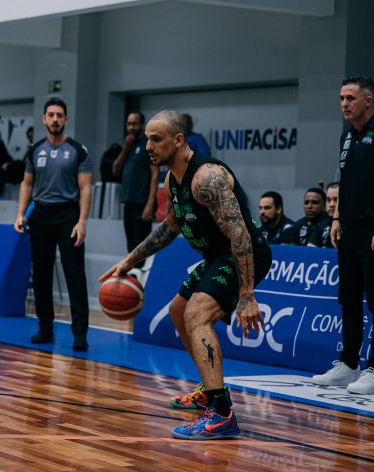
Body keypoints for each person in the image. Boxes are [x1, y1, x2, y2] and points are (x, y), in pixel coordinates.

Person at [100, 110, 271, 440]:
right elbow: (170, 227)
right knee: (179, 310)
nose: (148, 146)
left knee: (196, 314)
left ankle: (221, 414)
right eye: (147, 139)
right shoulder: (171, 180)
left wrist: (247, 294)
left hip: (244, 254)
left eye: (156, 139)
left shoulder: (207, 178)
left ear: (178, 140)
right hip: (218, 256)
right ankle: (209, 389)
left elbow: (240, 235)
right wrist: (130, 260)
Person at [312, 76, 374, 395]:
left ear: (368, 101)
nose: (344, 104)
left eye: (350, 98)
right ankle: (348, 364)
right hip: (349, 230)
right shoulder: (347, 136)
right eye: (341, 98)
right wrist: (337, 217)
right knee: (349, 297)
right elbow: (345, 180)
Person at [14, 97, 93, 351]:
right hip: (41, 215)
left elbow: (86, 188)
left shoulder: (78, 150)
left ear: (66, 119)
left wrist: (82, 221)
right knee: (42, 275)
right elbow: (26, 184)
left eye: (59, 115)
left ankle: (79, 334)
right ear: (44, 119)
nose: (55, 119)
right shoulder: (35, 149)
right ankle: (45, 328)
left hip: (68, 215)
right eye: (51, 115)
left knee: (74, 275)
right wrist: (20, 213)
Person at [111, 112, 158, 269]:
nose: (131, 127)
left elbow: (155, 175)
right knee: (131, 247)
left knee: (142, 248)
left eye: (135, 124)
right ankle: (133, 279)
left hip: (142, 202)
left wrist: (150, 204)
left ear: (142, 125)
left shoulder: (148, 145)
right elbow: (115, 170)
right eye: (129, 124)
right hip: (129, 202)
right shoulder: (127, 146)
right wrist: (125, 149)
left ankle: (142, 280)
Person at [309, 182, 339, 248]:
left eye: (336, 200)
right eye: (328, 200)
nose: (331, 204)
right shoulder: (320, 226)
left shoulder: (353, 227)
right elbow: (310, 251)